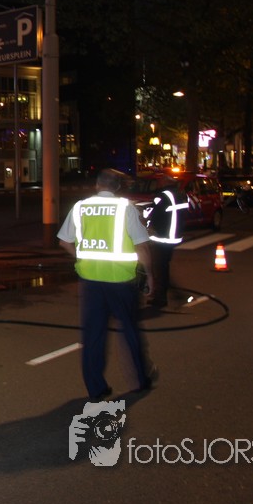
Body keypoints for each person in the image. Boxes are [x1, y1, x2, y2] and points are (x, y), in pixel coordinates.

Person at [57, 168, 156, 401]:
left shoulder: (80, 207)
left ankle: (96, 388)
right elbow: (141, 246)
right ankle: (139, 380)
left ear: (97, 185)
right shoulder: (125, 208)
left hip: (90, 281)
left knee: (93, 335)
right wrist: (150, 275)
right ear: (118, 187)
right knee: (129, 330)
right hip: (121, 281)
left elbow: (64, 242)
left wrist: (83, 257)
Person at [145, 178, 186, 308]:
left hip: (162, 237)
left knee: (158, 268)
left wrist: (146, 219)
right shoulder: (180, 195)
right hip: (174, 237)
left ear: (165, 183)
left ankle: (161, 298)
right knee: (164, 266)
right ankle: (171, 293)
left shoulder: (162, 196)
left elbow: (152, 213)